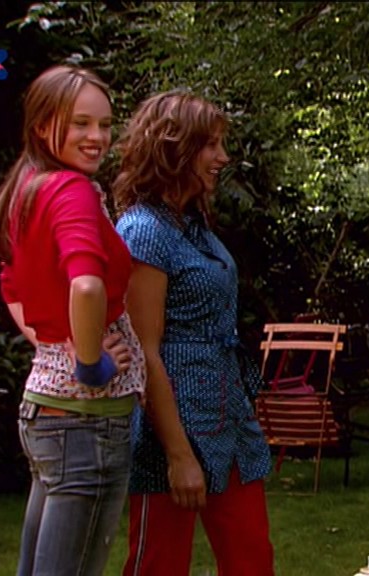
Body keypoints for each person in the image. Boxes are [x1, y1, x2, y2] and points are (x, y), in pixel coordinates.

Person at [0, 64, 146, 576]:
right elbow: (86, 285)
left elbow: (11, 287)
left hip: (47, 413)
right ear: (42, 125)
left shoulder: (27, 188)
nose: (97, 136)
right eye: (80, 123)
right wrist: (90, 362)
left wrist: (55, 343)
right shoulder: (71, 190)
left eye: (104, 124)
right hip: (86, 422)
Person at [112, 90, 274, 576]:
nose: (222, 157)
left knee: (252, 560)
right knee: (159, 565)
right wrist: (178, 455)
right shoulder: (144, 231)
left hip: (228, 421)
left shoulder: (195, 226)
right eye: (211, 145)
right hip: (171, 429)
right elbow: (145, 351)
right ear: (173, 148)